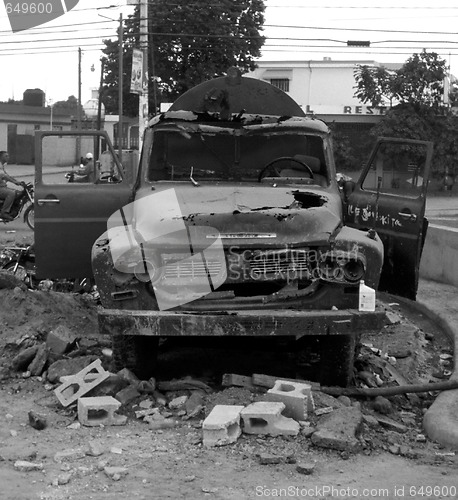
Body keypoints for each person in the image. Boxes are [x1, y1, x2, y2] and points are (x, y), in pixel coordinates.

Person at [0, 151, 21, 221]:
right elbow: (4, 176)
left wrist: (18, 181)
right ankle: (4, 212)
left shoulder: (2, 166)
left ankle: (12, 209)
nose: (8, 157)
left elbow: (8, 176)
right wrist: (15, 182)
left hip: (2, 187)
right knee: (11, 193)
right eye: (6, 156)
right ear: (1, 157)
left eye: (8, 156)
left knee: (17, 192)